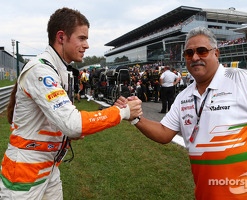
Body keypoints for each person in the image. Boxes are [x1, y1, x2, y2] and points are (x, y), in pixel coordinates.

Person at [116, 27, 247, 199]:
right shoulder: (183, 96)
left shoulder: (242, 78)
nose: (195, 57)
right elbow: (164, 133)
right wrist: (135, 118)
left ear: (216, 53)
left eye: (202, 51)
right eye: (189, 53)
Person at [0, 7, 142, 200]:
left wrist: (64, 133)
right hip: (25, 170)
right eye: (82, 38)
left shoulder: (57, 69)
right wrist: (122, 112)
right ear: (61, 37)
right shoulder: (42, 70)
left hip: (49, 166)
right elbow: (72, 124)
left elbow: (63, 119)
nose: (87, 45)